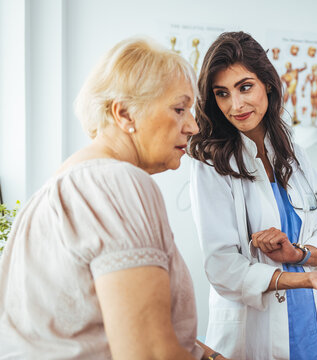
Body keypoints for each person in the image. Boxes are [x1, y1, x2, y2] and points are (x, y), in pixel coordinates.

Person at [0, 37, 226, 360]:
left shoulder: (55, 191)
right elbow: (149, 354)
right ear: (125, 115)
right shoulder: (117, 182)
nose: (192, 126)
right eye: (179, 109)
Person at [189, 31, 317, 360]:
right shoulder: (211, 163)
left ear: (266, 82)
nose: (235, 105)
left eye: (245, 87)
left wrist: (297, 255)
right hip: (253, 326)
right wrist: (303, 279)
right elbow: (221, 266)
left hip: (306, 316)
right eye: (222, 93)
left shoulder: (290, 147)